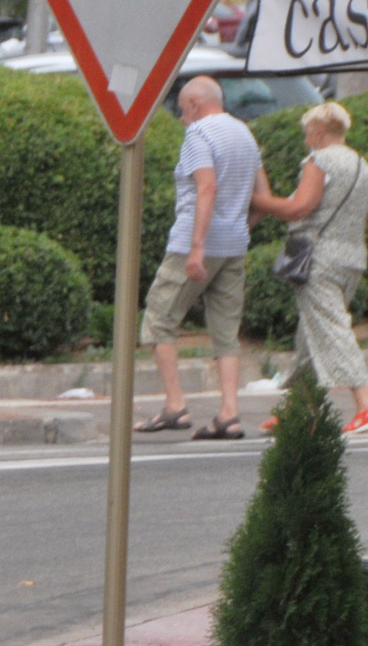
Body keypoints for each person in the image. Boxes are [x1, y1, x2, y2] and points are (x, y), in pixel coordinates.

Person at [136, 77, 264, 440]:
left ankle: (175, 406)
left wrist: (196, 247)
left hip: (195, 243)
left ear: (194, 103)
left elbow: (206, 187)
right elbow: (261, 195)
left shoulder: (199, 135)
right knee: (226, 332)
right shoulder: (245, 134)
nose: (181, 118)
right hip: (234, 245)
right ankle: (229, 413)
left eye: (181, 109)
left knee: (159, 320)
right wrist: (239, 226)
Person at [251, 101, 368, 429]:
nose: (306, 141)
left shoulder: (319, 160)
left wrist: (257, 201)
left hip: (319, 259)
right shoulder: (361, 165)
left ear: (317, 132)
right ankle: (298, 409)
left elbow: (298, 208)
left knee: (332, 327)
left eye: (307, 134)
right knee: (310, 334)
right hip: (352, 258)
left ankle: (364, 404)